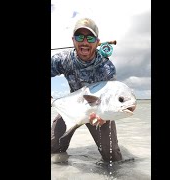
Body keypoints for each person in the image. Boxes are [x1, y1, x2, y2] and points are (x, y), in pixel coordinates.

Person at [51, 18, 123, 162]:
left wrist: (104, 116)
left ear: (97, 42)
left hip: (98, 112)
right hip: (72, 108)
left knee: (112, 157)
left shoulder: (106, 68)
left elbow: (112, 99)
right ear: (73, 40)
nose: (84, 42)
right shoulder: (63, 60)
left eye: (90, 38)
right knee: (53, 148)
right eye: (79, 37)